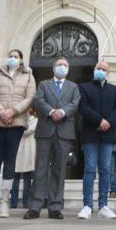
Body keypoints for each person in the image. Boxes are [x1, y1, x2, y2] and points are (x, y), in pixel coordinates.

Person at [24, 58, 80, 219]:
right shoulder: (43, 84)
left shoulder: (73, 87)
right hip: (45, 130)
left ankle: (55, 206)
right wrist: (51, 112)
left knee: (59, 170)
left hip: (64, 132)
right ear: (53, 68)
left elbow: (75, 103)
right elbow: (38, 100)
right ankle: (35, 206)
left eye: (65, 65)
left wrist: (62, 112)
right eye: (59, 65)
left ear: (68, 69)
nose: (62, 67)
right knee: (40, 168)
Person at [0, 49, 36, 218]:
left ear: (21, 60)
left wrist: (13, 111)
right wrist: (1, 111)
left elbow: (30, 97)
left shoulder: (28, 76)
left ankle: (5, 201)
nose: (12, 58)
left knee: (10, 160)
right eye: (10, 56)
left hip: (16, 122)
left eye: (16, 56)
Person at [77, 60, 116, 220]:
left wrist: (108, 122)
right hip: (90, 134)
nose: (101, 71)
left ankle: (103, 205)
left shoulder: (114, 89)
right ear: (94, 70)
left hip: (108, 135)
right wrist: (99, 121)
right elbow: (83, 107)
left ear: (107, 73)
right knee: (89, 169)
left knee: (105, 170)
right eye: (98, 68)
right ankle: (87, 205)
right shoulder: (84, 87)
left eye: (104, 69)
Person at [11, 110, 37, 209]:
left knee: (27, 178)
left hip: (28, 151)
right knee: (15, 177)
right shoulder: (18, 119)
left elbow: (28, 131)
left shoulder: (35, 120)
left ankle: (26, 202)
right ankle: (14, 202)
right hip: (18, 149)